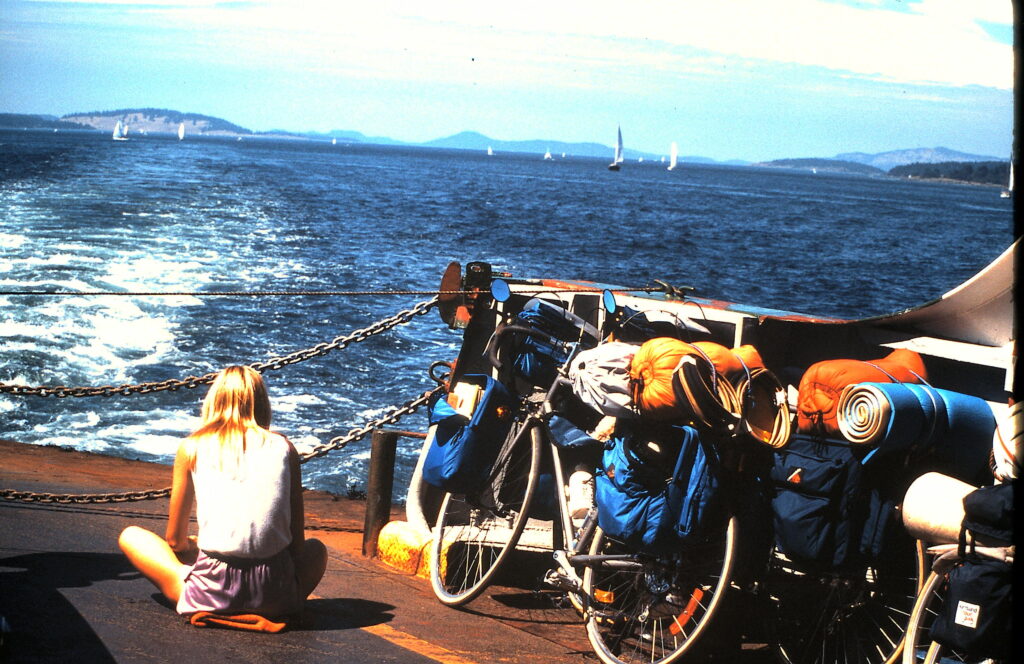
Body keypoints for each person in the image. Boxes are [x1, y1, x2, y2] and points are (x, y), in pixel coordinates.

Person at [119, 365, 327, 618]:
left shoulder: (192, 447)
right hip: (275, 596)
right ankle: (280, 602)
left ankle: (204, 595)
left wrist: (194, 550)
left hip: (210, 595)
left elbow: (174, 540)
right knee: (317, 549)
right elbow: (296, 546)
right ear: (262, 404)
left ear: (213, 400)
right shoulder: (284, 447)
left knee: (131, 536)